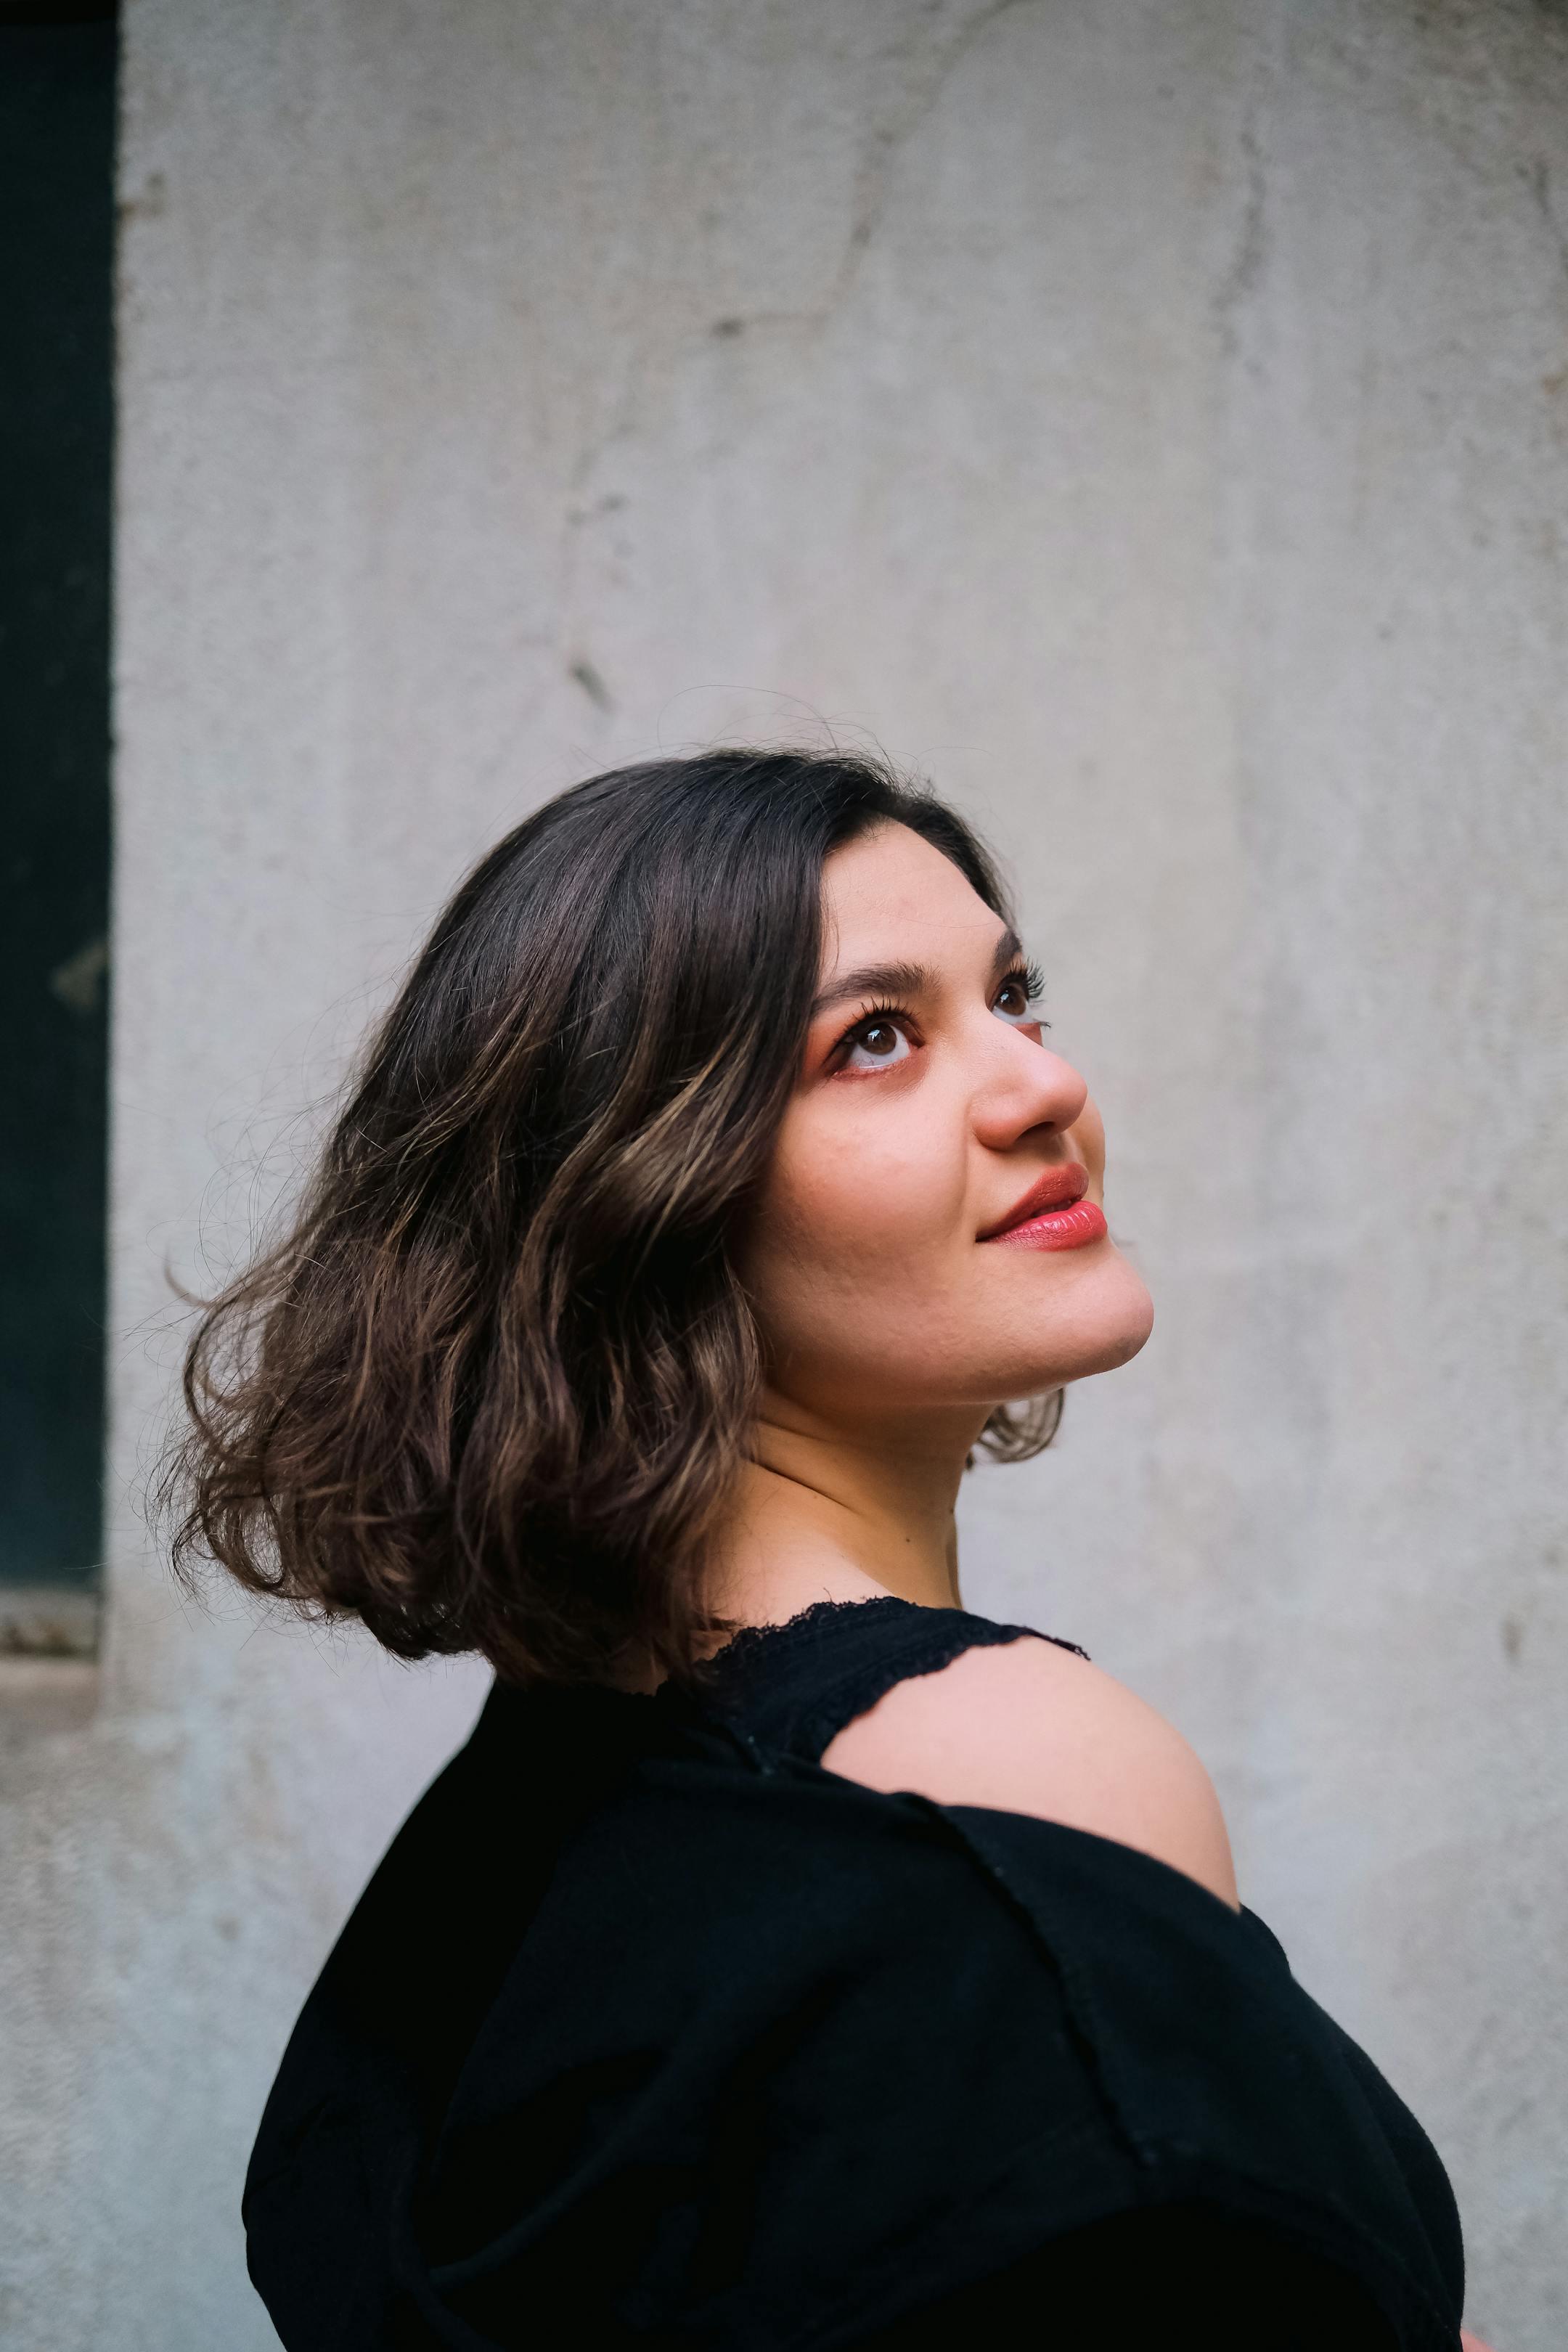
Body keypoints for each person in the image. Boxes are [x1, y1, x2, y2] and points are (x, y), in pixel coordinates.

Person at [164, 748, 1484, 2350]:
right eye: (875, 1041)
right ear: (642, 1200)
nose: (1041, 1084)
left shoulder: (528, 1798)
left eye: (1015, 993)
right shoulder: (1014, 1775)